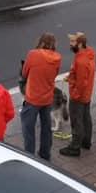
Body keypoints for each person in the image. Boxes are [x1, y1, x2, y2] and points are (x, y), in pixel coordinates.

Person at [19, 33, 61, 161]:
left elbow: (24, 72)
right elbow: (54, 75)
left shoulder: (33, 54)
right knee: (46, 128)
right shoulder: (57, 58)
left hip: (32, 98)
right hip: (47, 98)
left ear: (41, 42)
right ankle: (45, 154)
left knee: (28, 128)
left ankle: (30, 157)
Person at [59, 32, 96, 157]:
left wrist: (74, 93)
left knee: (76, 121)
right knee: (86, 118)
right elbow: (83, 77)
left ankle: (75, 147)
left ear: (80, 44)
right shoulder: (88, 53)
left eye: (73, 42)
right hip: (87, 94)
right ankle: (86, 142)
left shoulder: (81, 60)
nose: (70, 44)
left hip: (78, 96)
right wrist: (71, 77)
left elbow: (81, 82)